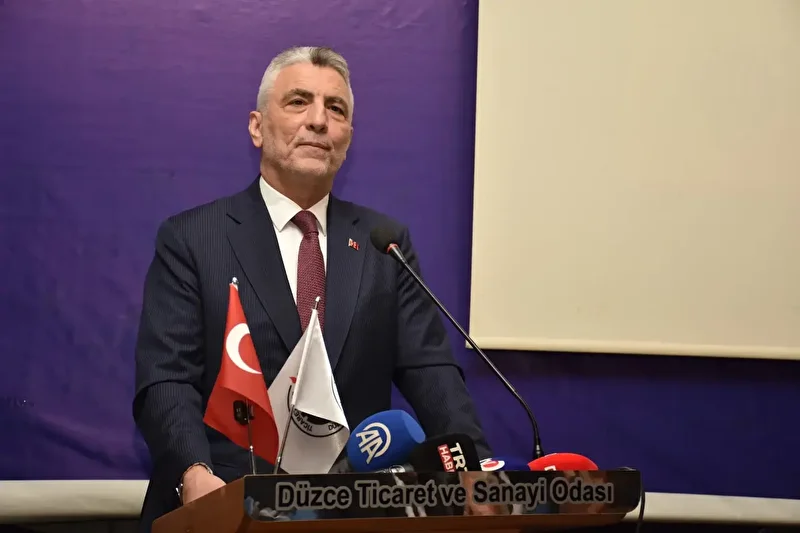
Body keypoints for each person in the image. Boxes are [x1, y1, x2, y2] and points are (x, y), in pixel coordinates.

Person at [132, 45, 491, 530]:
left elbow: (432, 373)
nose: (319, 121)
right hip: (228, 504)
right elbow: (166, 379)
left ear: (348, 138)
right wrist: (194, 474)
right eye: (299, 102)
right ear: (257, 127)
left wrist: (474, 468)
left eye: (335, 109)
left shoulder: (384, 243)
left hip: (351, 510)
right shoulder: (194, 238)